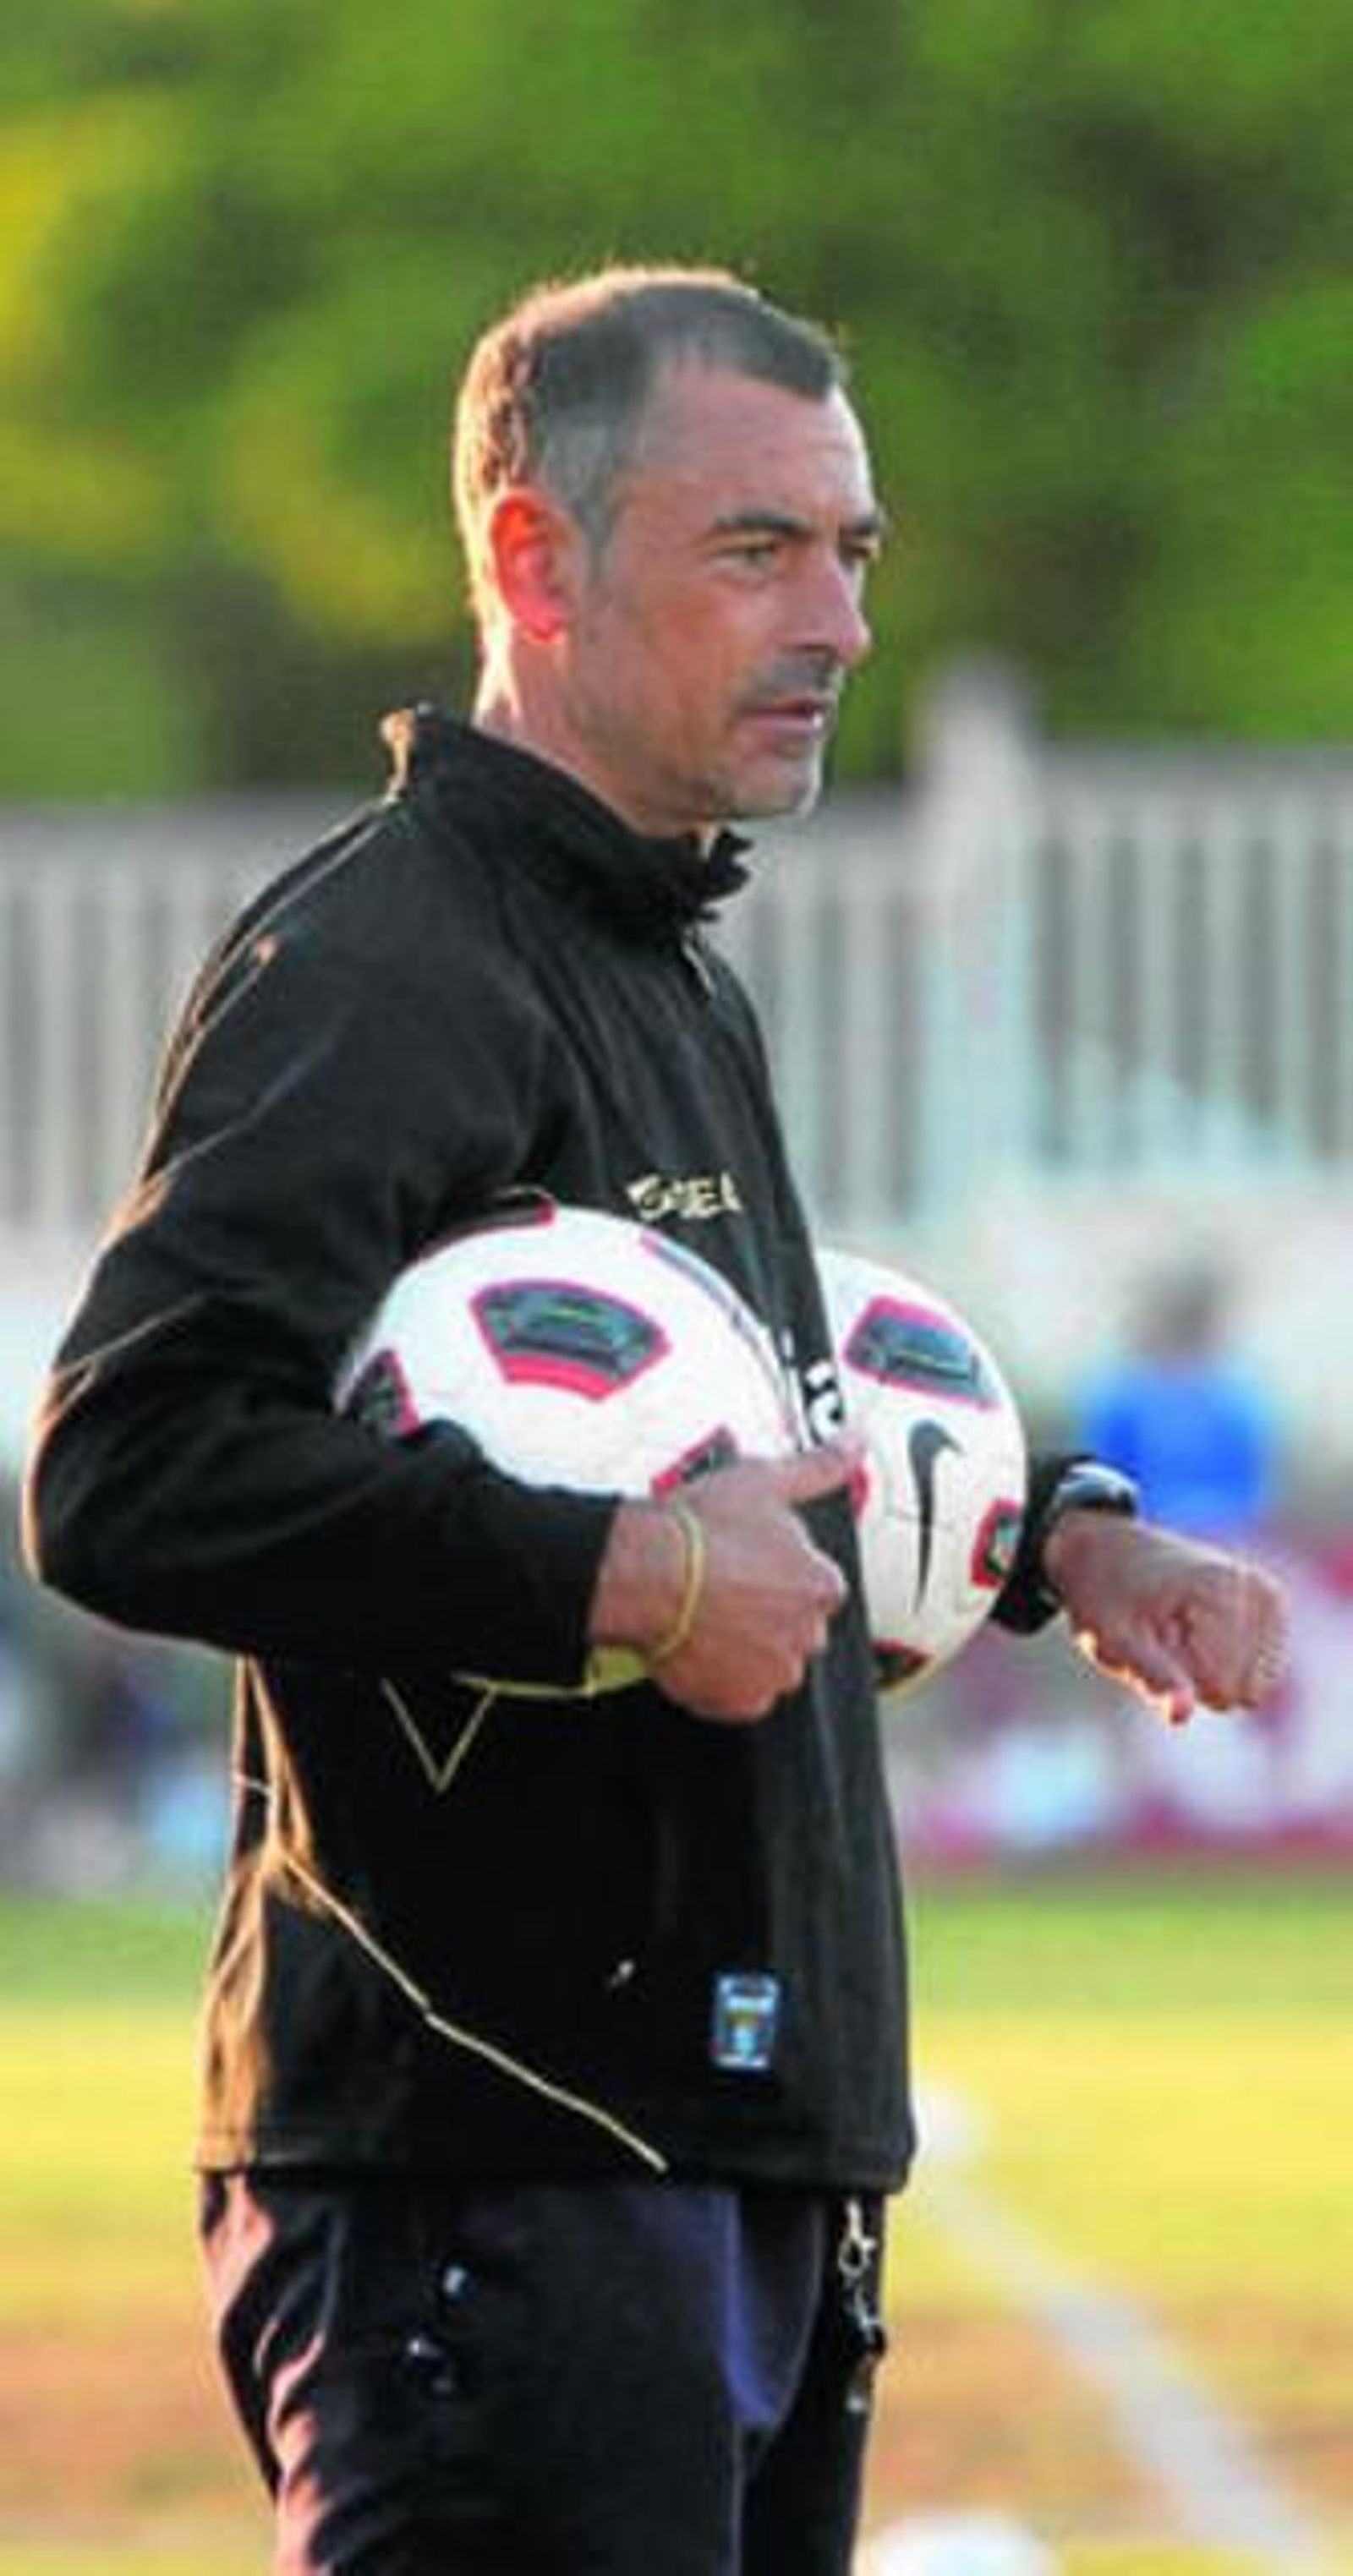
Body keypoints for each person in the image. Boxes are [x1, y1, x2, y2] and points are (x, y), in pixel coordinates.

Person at [21, 265, 1288, 2576]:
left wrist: (1056, 1541)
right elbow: (127, 1463)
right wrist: (623, 1581)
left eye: (856, 553)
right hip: (490, 2170)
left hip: (734, 2148)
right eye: (757, 551)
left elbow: (754, 1422)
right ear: (534, 558)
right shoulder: (385, 962)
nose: (839, 620)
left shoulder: (654, 951)